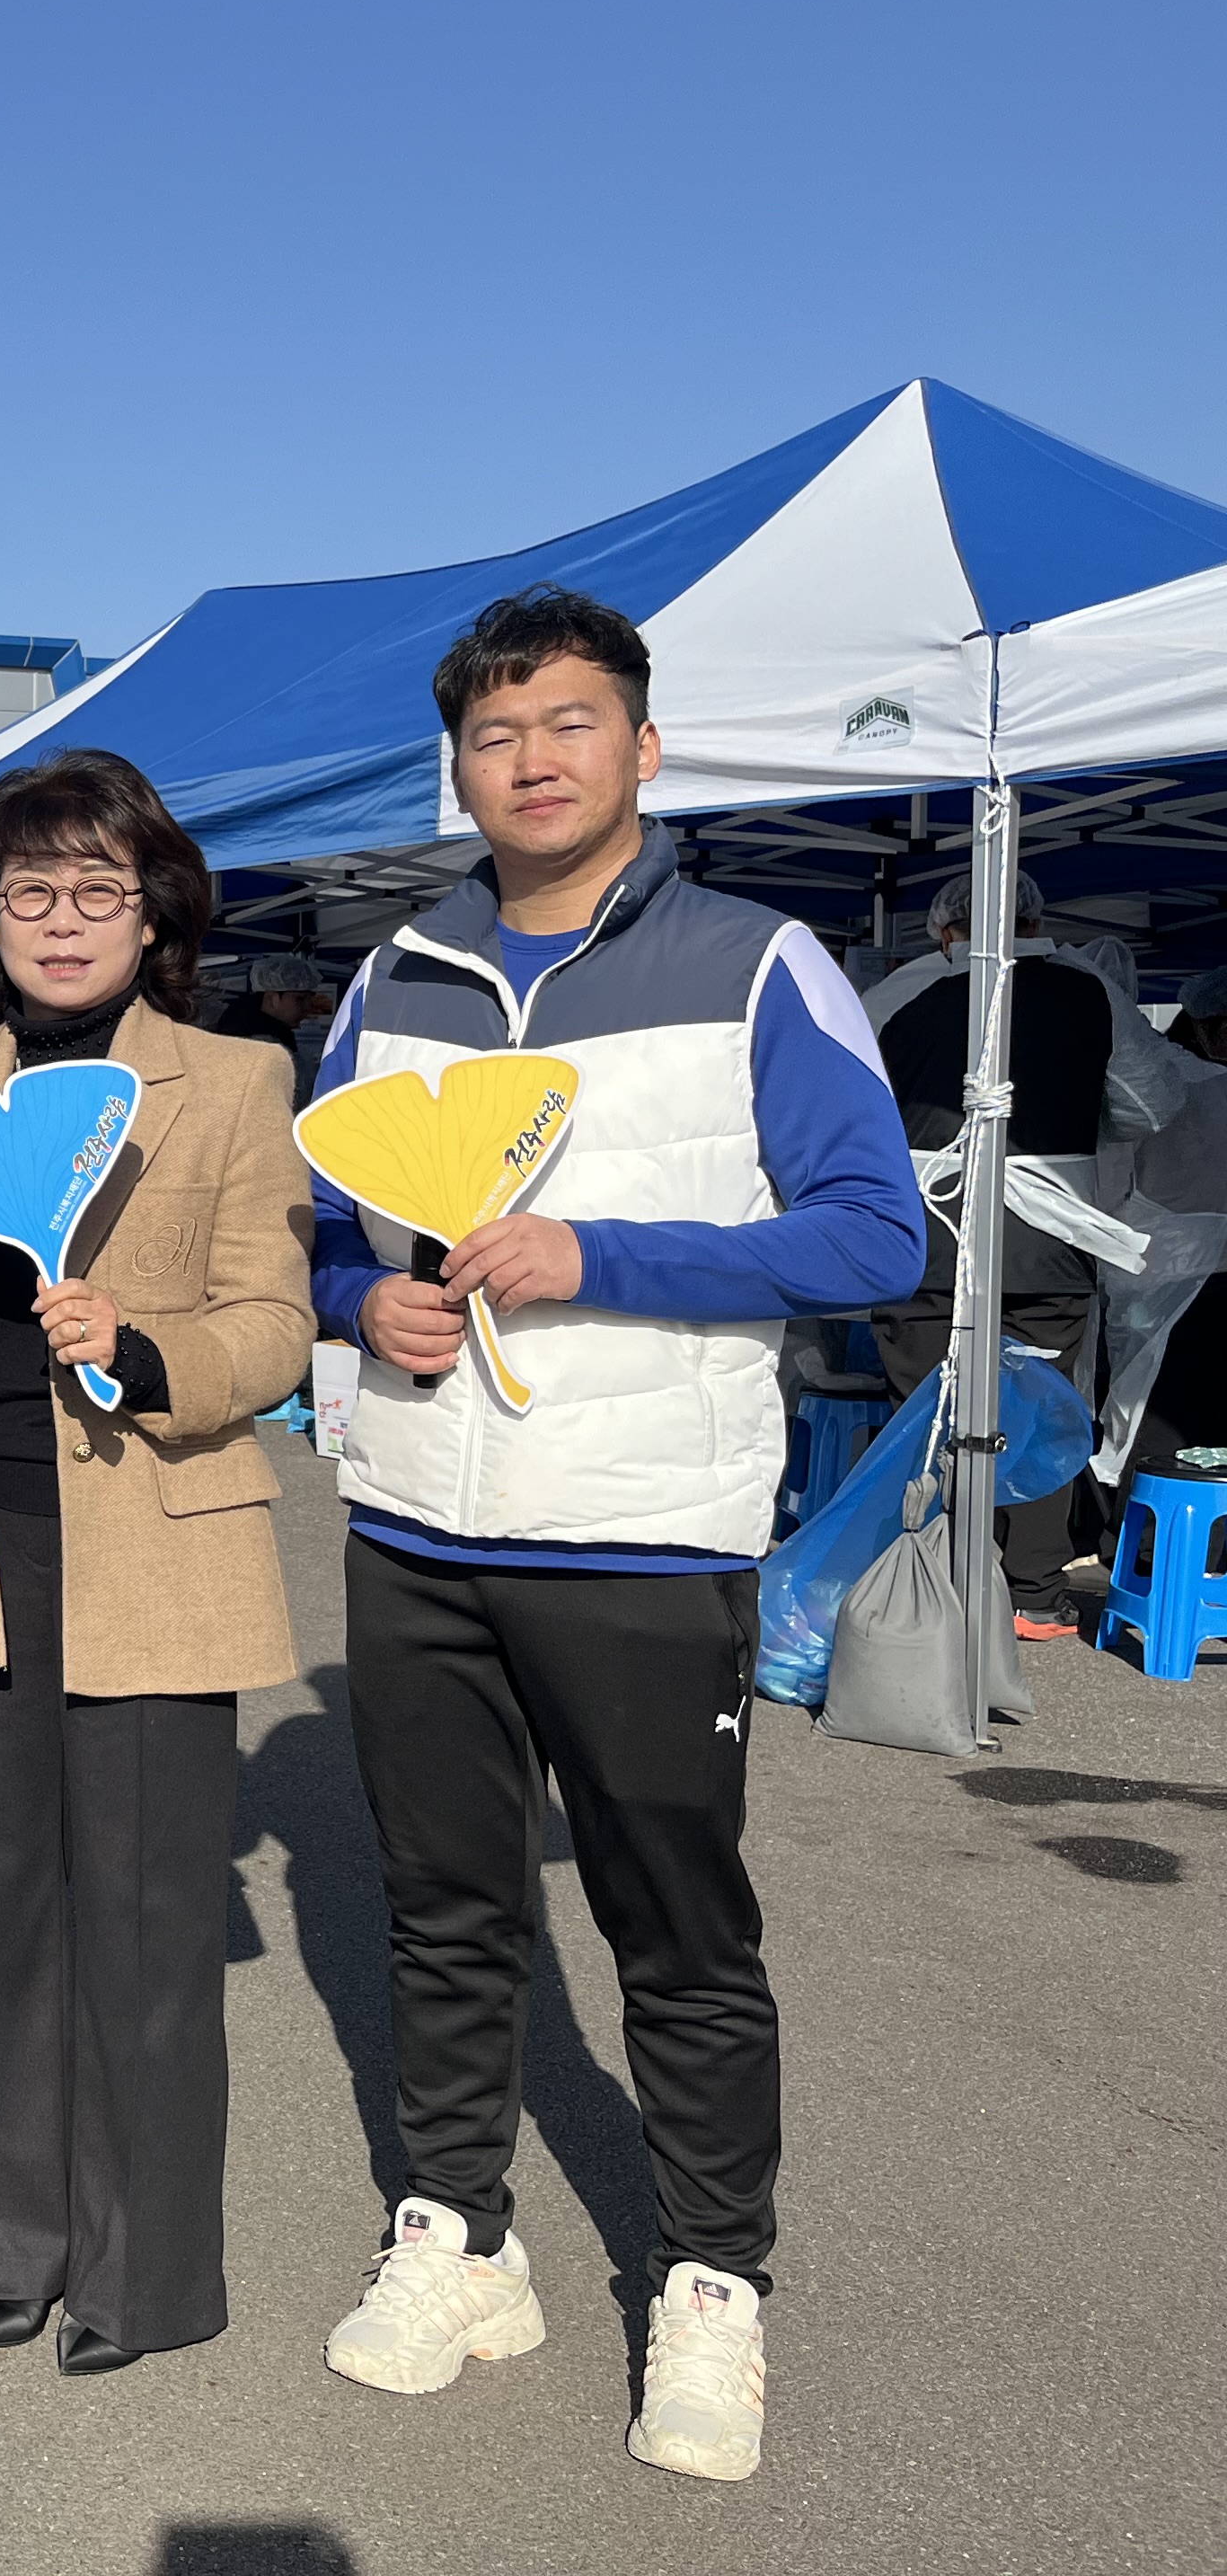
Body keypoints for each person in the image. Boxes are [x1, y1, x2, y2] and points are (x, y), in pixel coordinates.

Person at [307, 587, 926, 2485]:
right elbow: (324, 1228)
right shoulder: (394, 971)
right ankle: (458, 2234)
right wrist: (360, 1301)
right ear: (459, 767)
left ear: (644, 749)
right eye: (495, 734)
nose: (532, 760)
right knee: (444, 1907)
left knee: (676, 1928)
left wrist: (602, 1254)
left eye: (569, 723)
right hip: (419, 1520)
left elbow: (875, 1233)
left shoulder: (758, 964)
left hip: (646, 1532)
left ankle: (713, 2282)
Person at [0, 750, 312, 2377]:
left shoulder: (235, 1079)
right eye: (31, 890)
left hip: (157, 1541)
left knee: (145, 1926)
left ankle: (148, 2270)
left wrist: (144, 1342)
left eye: (98, 890)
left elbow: (276, 1323)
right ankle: (6, 2240)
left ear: (155, 913)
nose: (63, 920)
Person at [860, 873, 1152, 1639]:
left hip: (927, 1231)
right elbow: (1153, 1102)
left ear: (945, 932)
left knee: (923, 1411)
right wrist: (1072, 1119)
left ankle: (933, 1580)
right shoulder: (1092, 992)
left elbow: (850, 1100)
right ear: (1033, 918)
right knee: (1039, 1408)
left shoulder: (902, 992)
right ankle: (1033, 1593)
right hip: (1049, 1237)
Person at [209, 952, 339, 1104]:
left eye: (310, 999)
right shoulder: (259, 1044)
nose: (308, 1007)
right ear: (272, 998)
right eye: (300, 999)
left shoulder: (251, 1029)